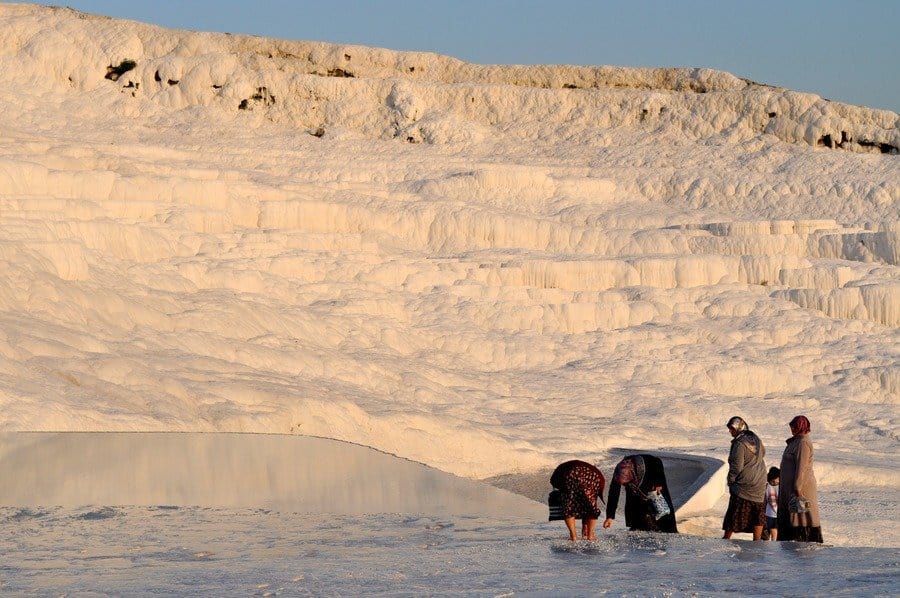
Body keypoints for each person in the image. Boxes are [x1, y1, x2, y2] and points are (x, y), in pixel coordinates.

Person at [603, 454, 678, 533]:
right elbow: (613, 494)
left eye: (625, 483)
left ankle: (666, 528)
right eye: (623, 484)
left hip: (653, 474)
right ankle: (638, 526)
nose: (624, 485)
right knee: (633, 502)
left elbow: (657, 462)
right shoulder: (619, 473)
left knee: (659, 501)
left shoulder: (649, 463)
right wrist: (610, 516)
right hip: (632, 477)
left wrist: (658, 482)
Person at [778, 415, 823, 543]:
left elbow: (801, 467)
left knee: (800, 516)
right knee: (792, 515)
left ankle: (802, 542)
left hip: (800, 488)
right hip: (790, 487)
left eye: (795, 427)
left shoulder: (803, 443)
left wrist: (798, 488)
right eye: (791, 427)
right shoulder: (796, 441)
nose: (792, 429)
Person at [721, 416, 767, 541]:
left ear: (738, 427)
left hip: (745, 483)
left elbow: (737, 466)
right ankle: (757, 539)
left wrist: (730, 480)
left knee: (735, 510)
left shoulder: (739, 443)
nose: (730, 431)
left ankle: (726, 538)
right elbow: (763, 452)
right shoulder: (755, 438)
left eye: (731, 428)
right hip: (761, 481)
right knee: (757, 511)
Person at [549, 460, 605, 541]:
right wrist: (584, 525)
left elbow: (558, 492)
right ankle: (590, 535)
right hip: (593, 476)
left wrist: (564, 498)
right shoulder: (598, 476)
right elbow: (588, 503)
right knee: (591, 505)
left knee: (568, 505)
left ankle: (573, 536)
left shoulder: (557, 476)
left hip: (570, 473)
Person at [764, 466, 780, 541]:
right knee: (767, 532)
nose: (774, 483)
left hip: (777, 514)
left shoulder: (781, 486)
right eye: (772, 481)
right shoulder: (767, 485)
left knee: (774, 532)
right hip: (768, 513)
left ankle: (773, 546)